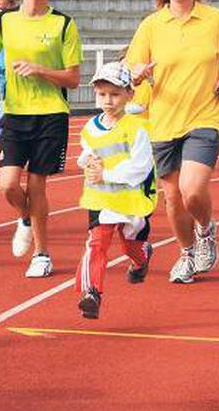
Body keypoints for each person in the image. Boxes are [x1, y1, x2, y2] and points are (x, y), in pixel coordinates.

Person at [126, 0, 219, 283]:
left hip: (203, 117)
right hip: (162, 122)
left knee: (192, 190)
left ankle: (205, 230)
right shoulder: (151, 25)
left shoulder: (215, 19)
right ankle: (187, 252)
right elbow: (133, 66)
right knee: (174, 199)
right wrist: (137, 72)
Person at [0, 0, 82, 278]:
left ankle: (41, 254)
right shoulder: (3, 20)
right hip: (14, 112)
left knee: (37, 186)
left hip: (51, 114)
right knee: (9, 184)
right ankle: (25, 218)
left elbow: (73, 79)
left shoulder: (63, 24)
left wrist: (40, 69)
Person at [75, 62, 157, 319]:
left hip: (132, 199)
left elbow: (141, 168)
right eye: (102, 94)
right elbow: (86, 151)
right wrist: (87, 162)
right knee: (97, 243)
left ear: (129, 95)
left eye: (115, 94)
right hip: (100, 198)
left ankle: (142, 256)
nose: (108, 100)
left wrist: (106, 174)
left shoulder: (137, 129)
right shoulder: (90, 127)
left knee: (129, 246)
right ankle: (91, 293)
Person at [0, 0, 19, 151]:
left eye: (3, 9)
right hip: (3, 76)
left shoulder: (23, 21)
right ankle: (4, 157)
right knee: (3, 119)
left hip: (22, 74)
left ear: (12, 5)